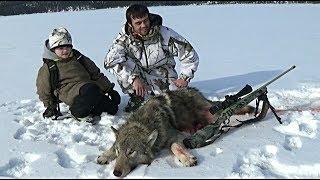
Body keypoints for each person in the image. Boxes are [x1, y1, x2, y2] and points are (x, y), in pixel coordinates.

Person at [104, 4, 199, 112]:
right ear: (130, 24)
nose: (144, 25)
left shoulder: (164, 33)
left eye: (145, 20)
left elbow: (189, 54)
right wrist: (133, 78)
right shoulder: (124, 39)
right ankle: (137, 98)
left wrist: (184, 77)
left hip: (162, 73)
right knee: (123, 65)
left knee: (173, 104)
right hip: (138, 75)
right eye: (138, 23)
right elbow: (110, 61)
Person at [36, 27, 121, 122]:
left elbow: (95, 74)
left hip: (89, 89)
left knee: (113, 108)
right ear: (53, 49)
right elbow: (43, 89)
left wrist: (109, 90)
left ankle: (90, 109)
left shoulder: (78, 57)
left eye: (67, 47)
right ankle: (76, 112)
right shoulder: (49, 67)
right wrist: (50, 106)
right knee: (91, 90)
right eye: (61, 48)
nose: (65, 50)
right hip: (68, 91)